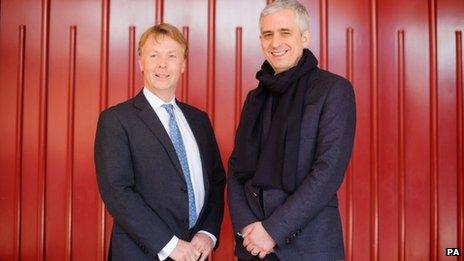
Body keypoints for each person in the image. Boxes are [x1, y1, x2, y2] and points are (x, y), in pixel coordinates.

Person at [227, 0, 356, 260]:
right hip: (253, 246)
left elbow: (328, 171)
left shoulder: (333, 90)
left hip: (308, 245)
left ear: (304, 37)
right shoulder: (255, 97)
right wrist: (247, 229)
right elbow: (236, 169)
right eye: (268, 34)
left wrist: (272, 231)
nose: (276, 43)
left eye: (285, 32)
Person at [94, 23, 225, 261]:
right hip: (141, 253)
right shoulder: (116, 120)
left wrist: (208, 232)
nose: (162, 64)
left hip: (195, 253)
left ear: (183, 64)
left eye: (172, 56)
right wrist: (170, 245)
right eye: (154, 55)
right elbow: (117, 192)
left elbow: (216, 181)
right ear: (141, 62)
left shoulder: (199, 120)